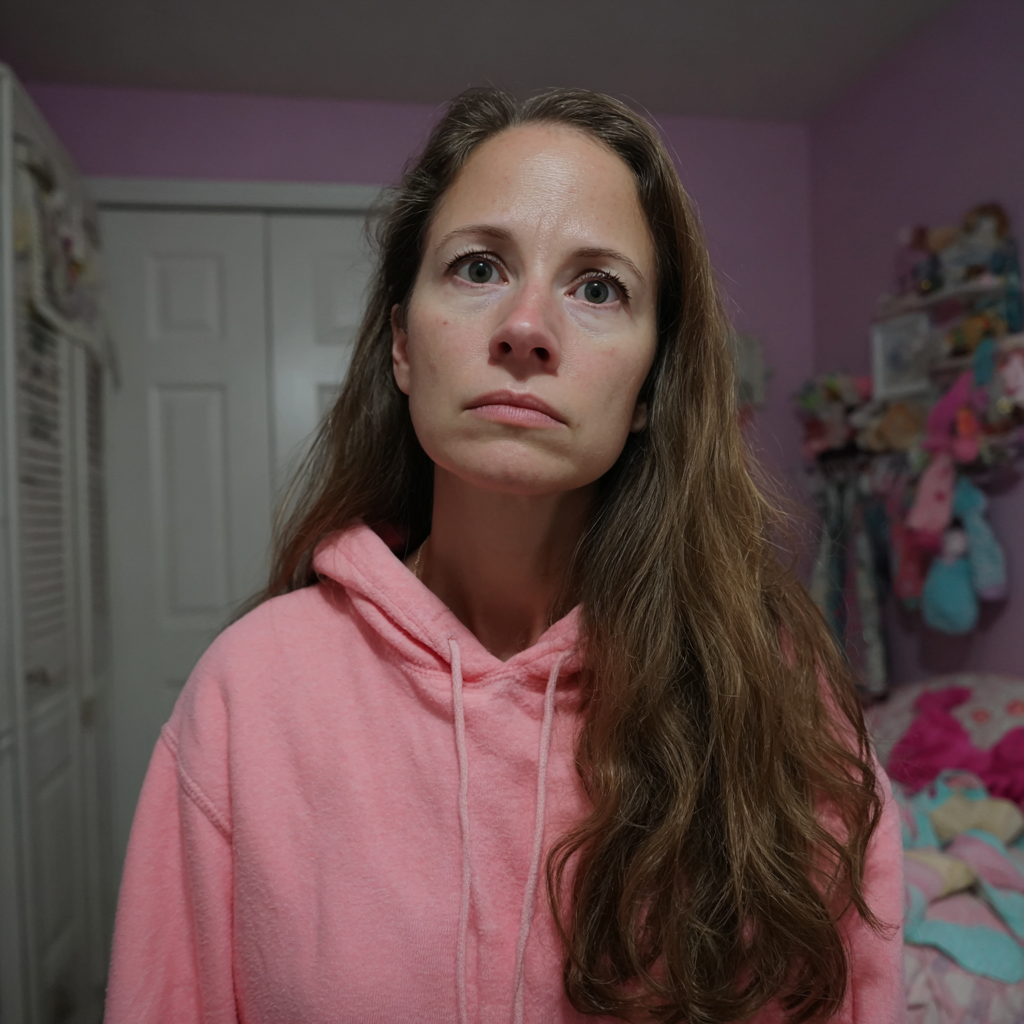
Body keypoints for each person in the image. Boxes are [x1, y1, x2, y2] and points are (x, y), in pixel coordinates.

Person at [104, 88, 903, 1024]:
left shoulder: (776, 693)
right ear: (402, 342)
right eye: (479, 266)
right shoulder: (250, 692)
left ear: (652, 384)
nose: (527, 327)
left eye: (598, 287)